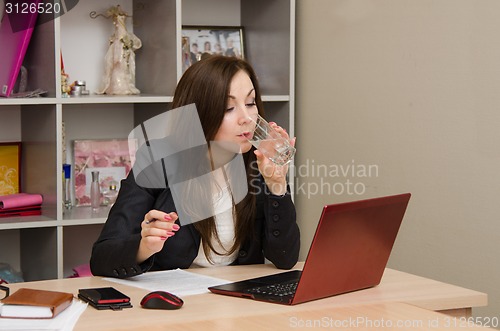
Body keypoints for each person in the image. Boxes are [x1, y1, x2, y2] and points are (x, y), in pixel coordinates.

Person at [90, 55, 300, 278]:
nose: (247, 117)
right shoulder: (157, 158)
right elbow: (101, 258)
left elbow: (285, 258)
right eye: (229, 107)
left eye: (250, 103)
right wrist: (145, 247)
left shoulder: (257, 161)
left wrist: (277, 186)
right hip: (178, 301)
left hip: (238, 297)